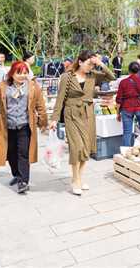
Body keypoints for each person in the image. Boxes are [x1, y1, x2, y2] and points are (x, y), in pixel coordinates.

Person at [50, 50, 115, 195]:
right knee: (76, 147)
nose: (90, 67)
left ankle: (79, 177)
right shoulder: (67, 76)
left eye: (92, 64)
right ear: (80, 62)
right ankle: (75, 179)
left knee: (86, 148)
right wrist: (54, 119)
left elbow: (111, 77)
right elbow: (60, 99)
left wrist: (100, 63)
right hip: (71, 114)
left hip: (88, 114)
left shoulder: (93, 75)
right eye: (88, 64)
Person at [0, 61, 48, 193]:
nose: (22, 76)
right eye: (19, 73)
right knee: (10, 154)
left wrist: (43, 123)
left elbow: (40, 106)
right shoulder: (2, 86)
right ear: (12, 73)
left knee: (23, 153)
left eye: (25, 73)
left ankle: (23, 181)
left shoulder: (33, 87)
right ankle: (16, 174)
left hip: (25, 126)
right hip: (6, 127)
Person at [115, 62, 140, 146]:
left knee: (127, 132)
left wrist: (118, 113)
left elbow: (118, 100)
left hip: (126, 109)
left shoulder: (123, 82)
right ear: (139, 71)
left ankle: (126, 153)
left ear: (129, 71)